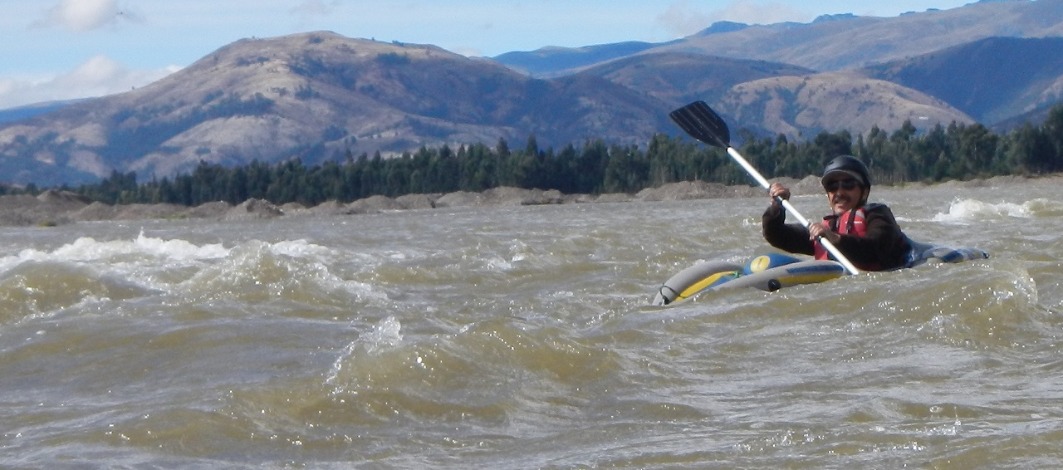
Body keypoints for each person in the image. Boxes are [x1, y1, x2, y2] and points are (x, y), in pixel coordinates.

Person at [762, 155, 911, 271]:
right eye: (832, 186)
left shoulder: (877, 214)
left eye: (848, 184)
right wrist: (777, 207)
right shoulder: (827, 228)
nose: (839, 192)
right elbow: (776, 235)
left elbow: (877, 248)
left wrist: (836, 239)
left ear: (864, 192)